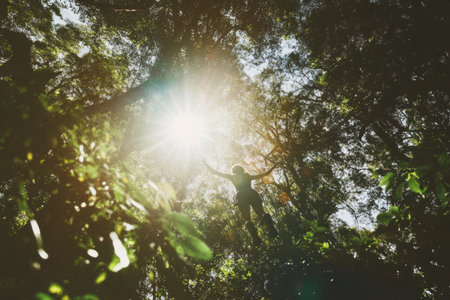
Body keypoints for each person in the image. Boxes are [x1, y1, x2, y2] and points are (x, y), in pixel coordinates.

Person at [204, 161, 278, 245]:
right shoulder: (247, 176)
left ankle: (256, 238)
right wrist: (273, 166)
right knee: (262, 213)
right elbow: (264, 174)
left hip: (242, 196)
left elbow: (214, 172)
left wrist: (205, 163)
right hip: (252, 193)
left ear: (234, 171)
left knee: (247, 219)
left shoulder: (232, 177)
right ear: (241, 169)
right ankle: (272, 229)